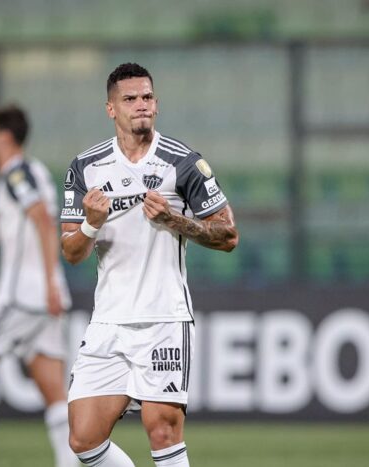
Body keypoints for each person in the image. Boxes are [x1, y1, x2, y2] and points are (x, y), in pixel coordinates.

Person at [60, 63, 239, 467]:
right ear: (111, 109)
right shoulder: (85, 168)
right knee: (83, 439)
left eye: (147, 97)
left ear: (156, 104)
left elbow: (229, 235)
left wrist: (173, 219)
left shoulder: (182, 162)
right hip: (109, 321)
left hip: (163, 317)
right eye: (130, 99)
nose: (141, 105)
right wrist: (91, 223)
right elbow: (71, 252)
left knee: (162, 430)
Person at [0, 104, 78, 467]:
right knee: (52, 387)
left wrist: (49, 284)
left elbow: (42, 220)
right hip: (44, 297)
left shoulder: (17, 174)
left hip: (22, 296)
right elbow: (0, 232)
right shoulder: (27, 172)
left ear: (4, 137)